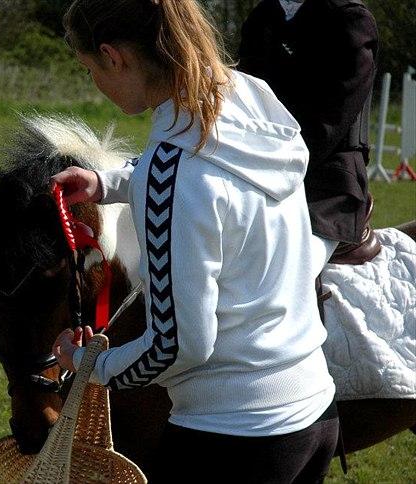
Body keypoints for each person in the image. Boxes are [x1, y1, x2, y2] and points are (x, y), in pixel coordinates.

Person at [50, 0, 339, 482]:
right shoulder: (246, 96)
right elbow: (213, 176)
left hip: (234, 436)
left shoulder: (173, 172)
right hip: (313, 412)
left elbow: (178, 345)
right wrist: (108, 183)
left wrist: (86, 364)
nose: (94, 84)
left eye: (89, 70)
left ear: (113, 56)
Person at [238, 0, 378, 251]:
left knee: (285, 256)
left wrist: (269, 166)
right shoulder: (263, 16)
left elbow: (327, 126)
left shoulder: (349, 20)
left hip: (328, 183)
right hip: (257, 171)